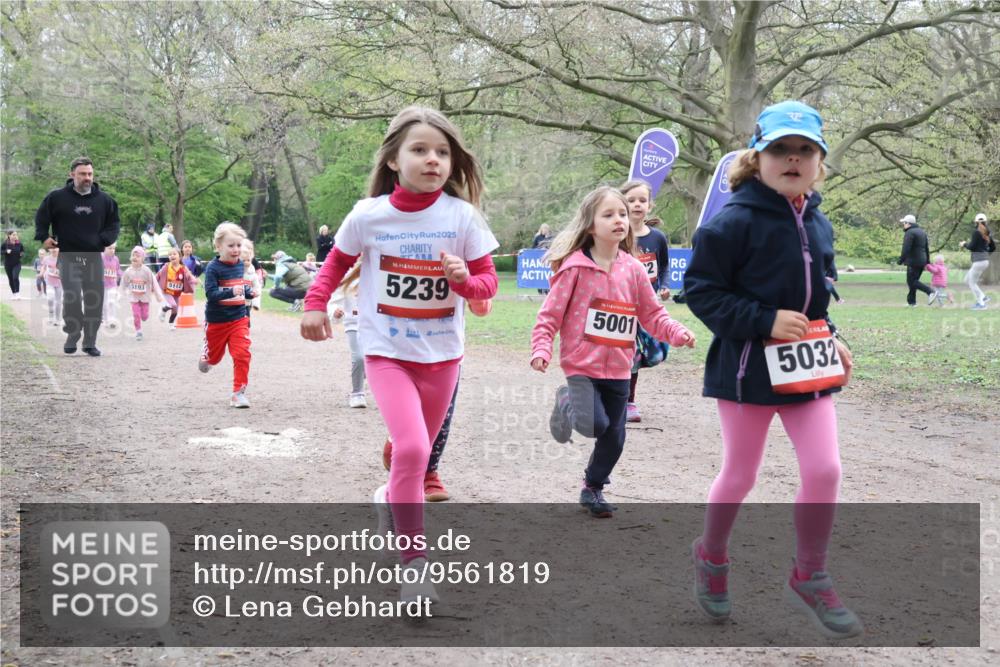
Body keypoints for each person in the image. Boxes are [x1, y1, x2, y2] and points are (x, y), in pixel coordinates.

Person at [300, 105, 499, 604]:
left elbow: (487, 284)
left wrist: (464, 280)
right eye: (420, 149)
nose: (432, 159)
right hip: (386, 351)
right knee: (414, 451)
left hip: (443, 356)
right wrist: (314, 305)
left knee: (409, 456)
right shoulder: (368, 216)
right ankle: (414, 566)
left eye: (442, 152)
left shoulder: (462, 217)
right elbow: (333, 264)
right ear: (393, 159)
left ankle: (392, 493)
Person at [683, 100, 862, 639]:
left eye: (804, 150)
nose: (792, 158)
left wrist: (832, 337)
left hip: (806, 368)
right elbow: (701, 291)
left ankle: (810, 573)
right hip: (744, 370)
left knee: (825, 469)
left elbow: (818, 298)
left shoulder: (819, 221)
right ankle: (711, 557)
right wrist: (761, 320)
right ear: (756, 158)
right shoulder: (730, 222)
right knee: (740, 474)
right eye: (779, 149)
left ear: (819, 162)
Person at [530, 186, 695, 518]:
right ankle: (566, 400)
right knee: (594, 424)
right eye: (609, 215)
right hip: (581, 365)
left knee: (615, 437)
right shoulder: (574, 268)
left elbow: (652, 314)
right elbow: (550, 315)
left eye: (622, 214)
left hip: (620, 366)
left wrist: (676, 332)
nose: (619, 219)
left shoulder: (632, 269)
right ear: (591, 226)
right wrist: (542, 346)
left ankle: (592, 487)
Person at [34, 157, 121, 356]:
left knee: (94, 300)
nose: (87, 178)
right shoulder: (56, 198)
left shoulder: (105, 200)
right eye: (82, 174)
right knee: (72, 297)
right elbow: (41, 218)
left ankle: (90, 342)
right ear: (72, 174)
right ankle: (73, 332)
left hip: (92, 257)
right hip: (68, 255)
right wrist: (44, 237)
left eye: (90, 174)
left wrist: (104, 240)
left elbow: (114, 224)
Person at [620, 179, 672, 423]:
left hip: (648, 307)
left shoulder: (658, 238)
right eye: (631, 200)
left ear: (650, 205)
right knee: (627, 353)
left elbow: (663, 268)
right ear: (623, 203)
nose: (637, 204)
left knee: (652, 354)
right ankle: (627, 401)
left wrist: (663, 287)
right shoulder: (617, 234)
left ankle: (622, 397)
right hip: (620, 305)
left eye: (642, 200)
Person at [198, 222, 256, 408]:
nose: (236, 249)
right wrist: (233, 292)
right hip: (217, 321)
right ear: (218, 246)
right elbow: (211, 295)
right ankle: (207, 356)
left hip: (239, 318)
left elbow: (238, 286)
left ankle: (238, 393)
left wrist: (247, 292)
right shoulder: (213, 268)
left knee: (242, 353)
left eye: (239, 245)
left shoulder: (240, 265)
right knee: (214, 359)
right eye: (231, 245)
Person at [329, 261, 366, 407]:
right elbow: (334, 302)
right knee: (358, 357)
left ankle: (367, 373)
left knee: (373, 360)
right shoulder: (347, 277)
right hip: (354, 323)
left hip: (375, 326)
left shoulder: (380, 273)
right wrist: (335, 312)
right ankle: (357, 393)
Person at [119, 247, 163, 341]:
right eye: (133, 256)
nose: (135, 257)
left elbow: (154, 283)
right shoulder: (128, 271)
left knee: (144, 316)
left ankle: (144, 317)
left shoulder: (146, 270)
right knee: (136, 314)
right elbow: (123, 283)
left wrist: (158, 295)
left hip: (145, 297)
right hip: (133, 297)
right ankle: (138, 331)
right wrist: (120, 294)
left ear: (142, 259)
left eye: (138, 256)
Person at [959, 213, 995, 310]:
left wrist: (964, 244)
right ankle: (983, 297)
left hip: (979, 261)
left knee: (971, 283)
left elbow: (972, 246)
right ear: (985, 222)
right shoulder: (987, 233)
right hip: (984, 261)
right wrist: (986, 254)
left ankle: (981, 304)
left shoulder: (976, 232)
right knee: (967, 280)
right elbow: (993, 247)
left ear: (976, 222)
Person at [156, 247, 197, 329]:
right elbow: (158, 275)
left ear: (180, 256)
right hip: (167, 291)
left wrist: (194, 280)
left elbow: (189, 276)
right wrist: (153, 285)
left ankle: (171, 323)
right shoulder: (166, 267)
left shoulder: (183, 268)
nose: (172, 256)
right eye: (170, 255)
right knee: (172, 304)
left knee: (175, 310)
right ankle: (163, 310)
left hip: (177, 293)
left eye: (174, 254)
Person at [898, 214, 932, 307]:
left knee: (912, 281)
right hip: (922, 260)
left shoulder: (909, 233)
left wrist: (901, 259)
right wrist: (927, 261)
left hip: (913, 261)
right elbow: (926, 248)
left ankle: (930, 292)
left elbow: (906, 248)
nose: (903, 225)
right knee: (913, 281)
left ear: (908, 223)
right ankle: (911, 302)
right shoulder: (922, 232)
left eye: (904, 223)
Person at [101, 244, 123, 329]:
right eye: (110, 248)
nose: (112, 250)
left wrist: (123, 276)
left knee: (112, 302)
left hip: (113, 284)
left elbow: (118, 270)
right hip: (102, 285)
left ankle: (112, 320)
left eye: (113, 248)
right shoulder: (101, 257)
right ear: (104, 249)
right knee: (105, 304)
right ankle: (105, 320)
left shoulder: (116, 259)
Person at [41, 247, 63, 326]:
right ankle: (51, 315)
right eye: (52, 248)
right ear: (49, 249)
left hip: (60, 283)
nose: (54, 249)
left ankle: (57, 319)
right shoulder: (46, 259)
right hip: (49, 281)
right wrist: (42, 273)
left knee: (58, 302)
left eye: (56, 248)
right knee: (50, 298)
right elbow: (43, 267)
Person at [240, 243, 263, 312]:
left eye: (248, 260)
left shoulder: (253, 262)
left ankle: (256, 304)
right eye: (244, 260)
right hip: (236, 301)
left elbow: (258, 270)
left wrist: (259, 278)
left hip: (247, 301)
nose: (246, 262)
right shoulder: (235, 270)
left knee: (256, 288)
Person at [2, 230, 25, 299]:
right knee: (11, 279)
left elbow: (22, 251)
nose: (15, 236)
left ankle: (17, 293)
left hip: (17, 264)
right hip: (8, 265)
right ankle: (14, 293)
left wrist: (22, 254)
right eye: (13, 235)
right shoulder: (5, 244)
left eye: (16, 235)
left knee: (15, 277)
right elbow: (1, 251)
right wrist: (6, 251)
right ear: (9, 235)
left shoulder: (19, 244)